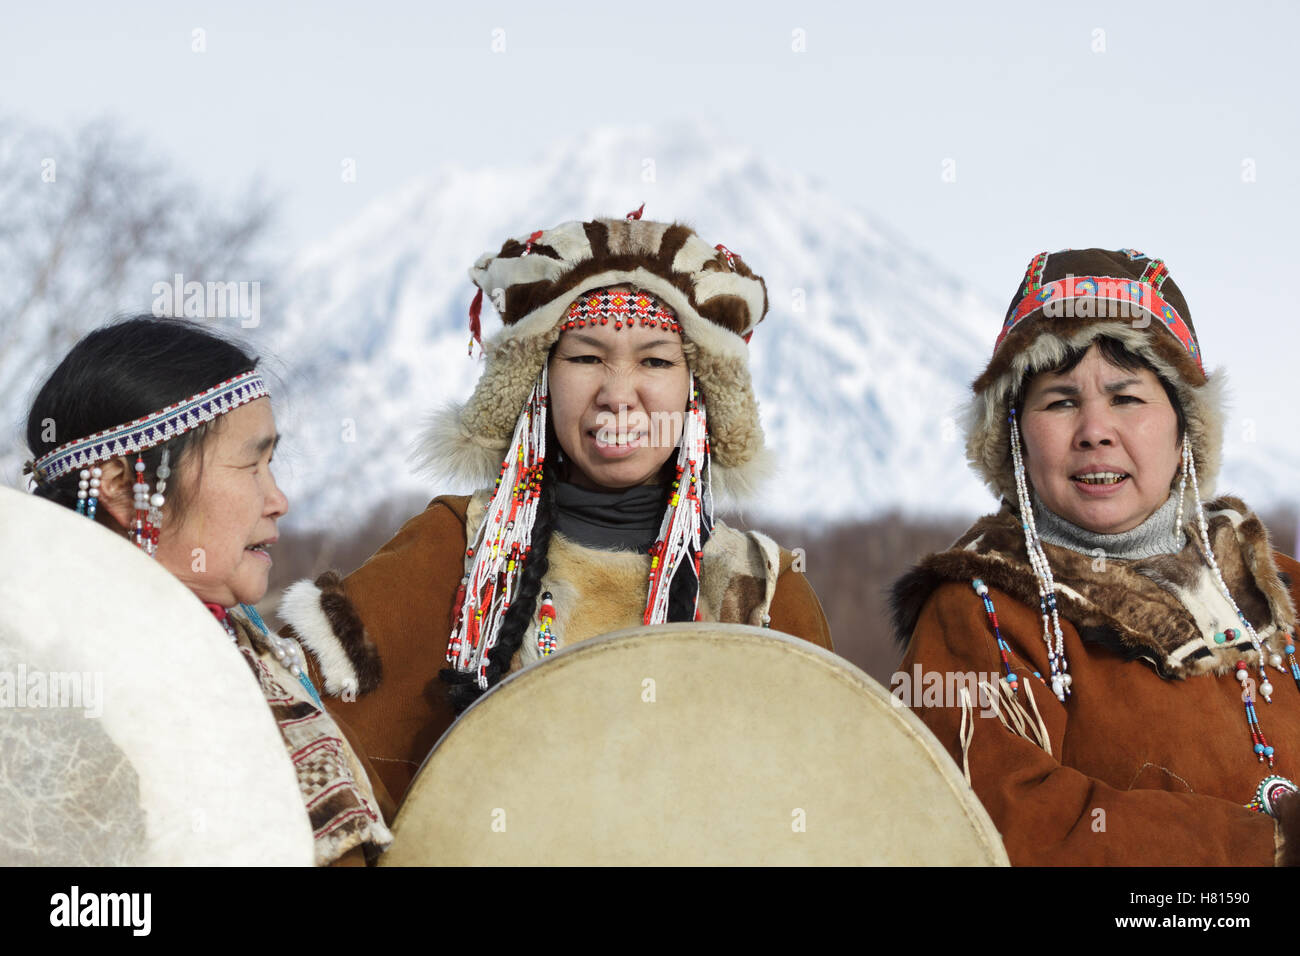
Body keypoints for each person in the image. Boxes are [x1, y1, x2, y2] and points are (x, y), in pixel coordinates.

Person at [278, 212, 833, 808]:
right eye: (586, 358)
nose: (618, 394)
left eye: (655, 361)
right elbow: (285, 726)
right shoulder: (453, 550)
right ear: (539, 378)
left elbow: (832, 802)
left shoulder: (762, 593)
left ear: (698, 389)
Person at [892, 249, 1300, 865]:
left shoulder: (1280, 589)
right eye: (1059, 401)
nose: (1094, 430)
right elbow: (1004, 828)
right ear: (1016, 437)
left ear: (1183, 426)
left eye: (1127, 398)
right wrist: (1261, 848)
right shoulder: (979, 615)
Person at [24, 315, 393, 865]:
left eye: (273, 465)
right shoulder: (63, 696)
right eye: (251, 466)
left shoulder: (243, 646)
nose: (278, 499)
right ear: (126, 488)